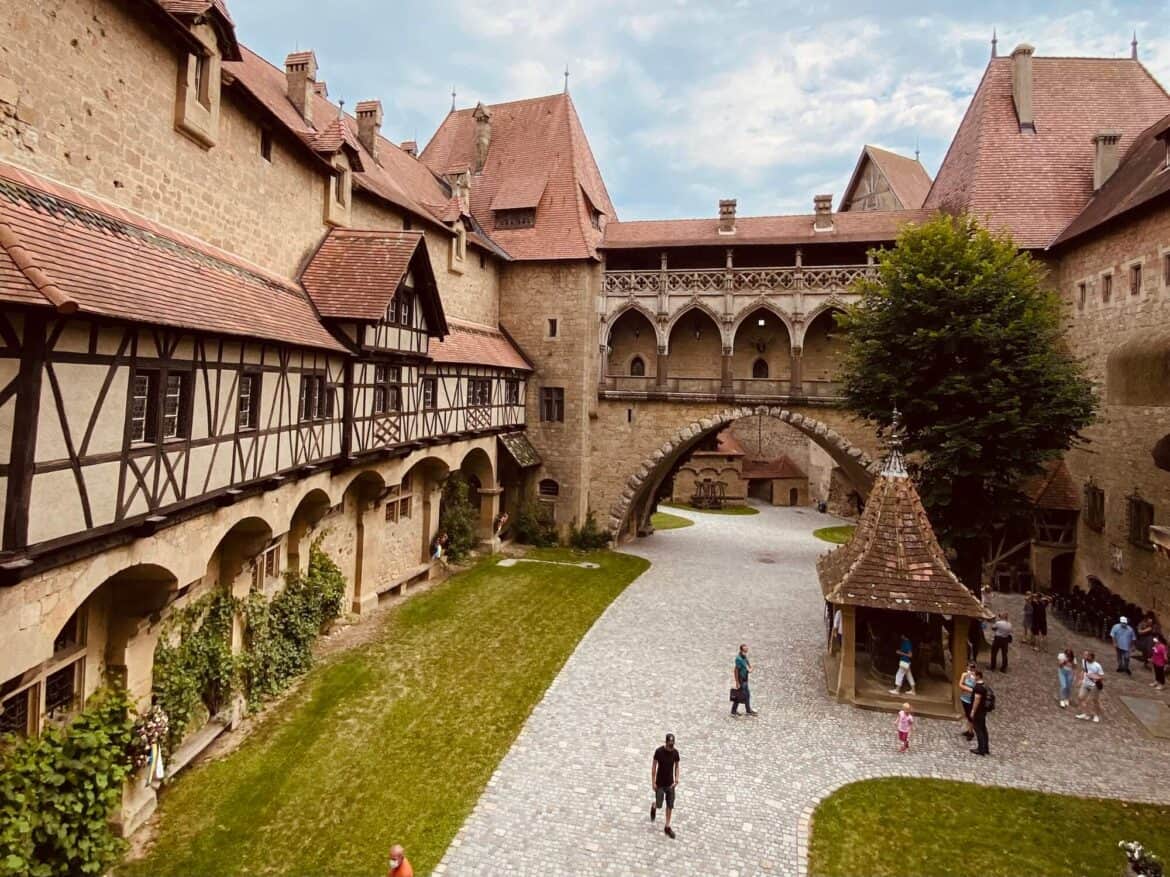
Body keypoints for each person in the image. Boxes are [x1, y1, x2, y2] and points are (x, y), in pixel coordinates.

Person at [650, 733, 680, 839]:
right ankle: (654, 806)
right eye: (669, 745)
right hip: (660, 783)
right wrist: (653, 782)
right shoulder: (659, 752)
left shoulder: (675, 753)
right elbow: (654, 767)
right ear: (666, 743)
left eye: (672, 744)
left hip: (670, 784)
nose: (671, 747)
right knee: (659, 804)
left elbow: (677, 766)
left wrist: (676, 779)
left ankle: (667, 826)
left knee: (670, 805)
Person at [1076, 650, 1104, 723]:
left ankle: (1096, 715)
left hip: (1094, 685)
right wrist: (1080, 679)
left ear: (1092, 657)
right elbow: (1084, 670)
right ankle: (1086, 714)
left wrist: (1093, 676)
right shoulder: (1084, 661)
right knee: (1080, 697)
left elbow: (1101, 677)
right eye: (1085, 655)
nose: (1085, 657)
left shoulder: (1097, 666)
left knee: (1092, 701)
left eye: (1087, 656)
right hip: (1085, 683)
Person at [731, 643, 757, 717]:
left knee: (746, 695)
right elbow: (736, 671)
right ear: (741, 650)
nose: (747, 650)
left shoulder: (744, 656)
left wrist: (750, 668)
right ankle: (734, 711)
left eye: (747, 649)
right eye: (745, 649)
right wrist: (737, 682)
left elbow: (748, 664)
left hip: (745, 679)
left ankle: (747, 710)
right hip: (741, 680)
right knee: (739, 695)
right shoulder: (738, 659)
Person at [969, 670, 991, 756]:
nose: (973, 677)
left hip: (978, 711)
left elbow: (976, 700)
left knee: (978, 730)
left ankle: (980, 749)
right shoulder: (984, 685)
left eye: (974, 675)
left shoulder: (978, 687)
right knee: (983, 729)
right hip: (983, 711)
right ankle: (985, 748)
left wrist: (973, 711)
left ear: (978, 676)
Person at [958, 662, 977, 740]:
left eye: (972, 668)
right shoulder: (964, 675)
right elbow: (960, 685)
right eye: (968, 667)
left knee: (970, 716)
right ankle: (968, 730)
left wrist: (969, 689)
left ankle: (971, 732)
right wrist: (971, 690)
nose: (969, 669)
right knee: (967, 714)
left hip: (971, 700)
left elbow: (976, 688)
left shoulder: (976, 677)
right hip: (964, 698)